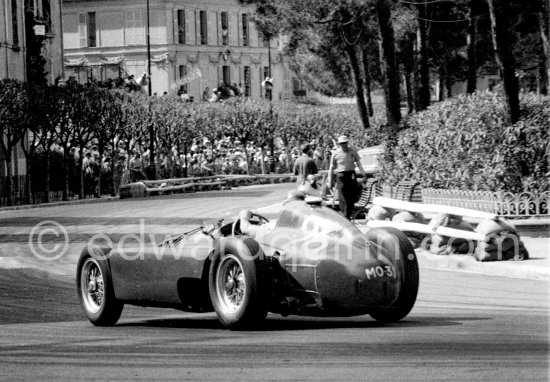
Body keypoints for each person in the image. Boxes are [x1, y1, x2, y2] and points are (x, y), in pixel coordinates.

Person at [327, 135, 366, 220]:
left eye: (345, 143)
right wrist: (330, 179)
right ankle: (345, 216)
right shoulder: (336, 153)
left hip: (351, 174)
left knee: (352, 195)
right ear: (339, 144)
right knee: (342, 196)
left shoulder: (352, 151)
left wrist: (363, 173)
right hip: (341, 175)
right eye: (341, 143)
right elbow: (331, 167)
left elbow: (358, 163)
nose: (343, 145)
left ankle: (349, 213)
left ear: (347, 143)